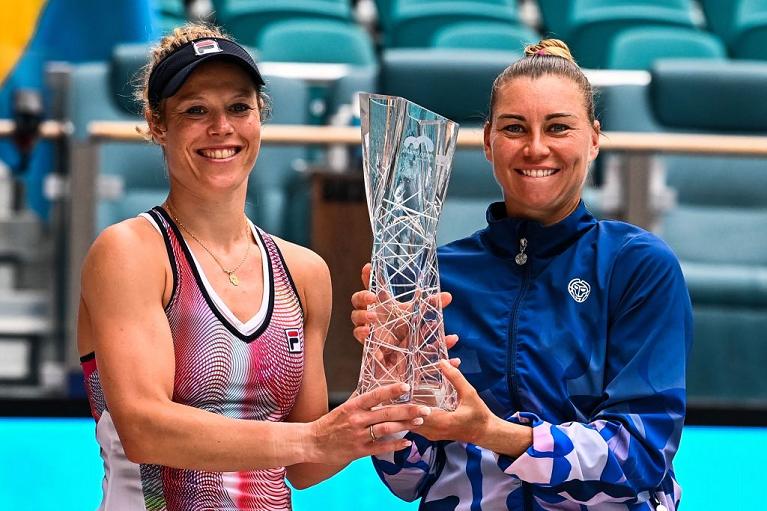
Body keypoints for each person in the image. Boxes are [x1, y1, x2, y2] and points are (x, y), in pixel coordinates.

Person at [77, 23, 430, 510]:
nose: (221, 128)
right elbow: (145, 429)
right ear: (158, 125)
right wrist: (311, 440)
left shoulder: (304, 271)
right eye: (195, 110)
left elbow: (306, 468)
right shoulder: (129, 251)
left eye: (238, 107)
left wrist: (384, 385)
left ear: (260, 117)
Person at [351, 39, 692, 510]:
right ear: (488, 140)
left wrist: (492, 434)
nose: (535, 148)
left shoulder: (636, 265)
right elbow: (410, 479)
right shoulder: (440, 275)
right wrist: (390, 394)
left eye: (558, 128)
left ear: (593, 138)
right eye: (515, 128)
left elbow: (640, 453)